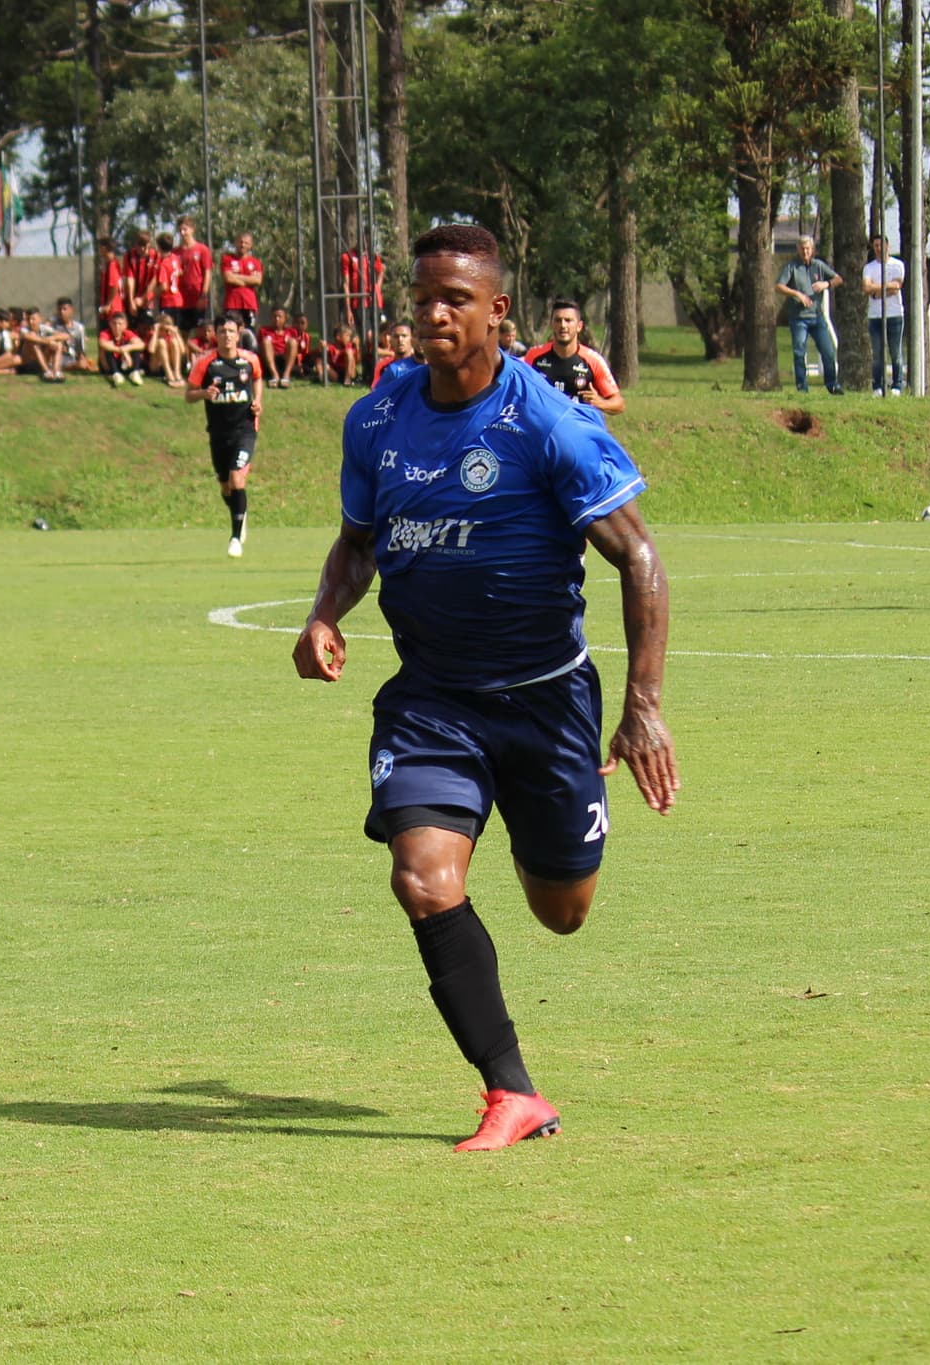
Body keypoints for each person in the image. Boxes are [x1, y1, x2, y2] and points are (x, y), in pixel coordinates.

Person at [292, 223, 676, 1152]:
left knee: (562, 912)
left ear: (497, 310)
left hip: (546, 701)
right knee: (423, 880)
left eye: (454, 299)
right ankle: (511, 1090)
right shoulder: (377, 420)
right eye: (422, 297)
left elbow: (638, 555)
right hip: (432, 700)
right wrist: (324, 613)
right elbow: (357, 545)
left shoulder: (547, 421)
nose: (433, 314)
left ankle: (540, 820)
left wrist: (643, 707)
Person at [185, 313, 264, 558]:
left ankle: (235, 538)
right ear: (215, 334)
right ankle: (240, 514)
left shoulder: (250, 360)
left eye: (231, 331)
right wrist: (203, 394)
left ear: (238, 334)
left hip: (245, 430)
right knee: (226, 487)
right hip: (219, 433)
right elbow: (188, 395)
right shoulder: (206, 363)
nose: (226, 336)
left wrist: (258, 401)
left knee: (237, 479)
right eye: (222, 331)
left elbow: (258, 378)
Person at [525, 299, 624, 414]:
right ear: (551, 324)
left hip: (579, 427)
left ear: (579, 326)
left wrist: (600, 402)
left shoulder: (593, 360)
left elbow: (619, 403)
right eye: (558, 320)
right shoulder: (534, 356)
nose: (562, 325)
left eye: (568, 320)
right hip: (543, 427)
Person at [777, 234, 843, 395]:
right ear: (798, 250)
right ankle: (802, 387)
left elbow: (838, 279)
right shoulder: (792, 267)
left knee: (828, 352)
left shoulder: (819, 266)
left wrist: (825, 284)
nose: (805, 251)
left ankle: (832, 385)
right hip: (799, 319)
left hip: (817, 317)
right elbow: (779, 286)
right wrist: (796, 294)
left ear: (812, 249)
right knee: (799, 352)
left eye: (808, 248)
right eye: (802, 248)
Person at [862, 234, 906, 397]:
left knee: (895, 352)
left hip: (894, 315)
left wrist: (877, 290)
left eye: (881, 245)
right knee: (878, 354)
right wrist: (884, 289)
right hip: (875, 316)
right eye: (876, 245)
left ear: (887, 246)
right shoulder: (869, 268)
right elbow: (866, 288)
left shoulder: (897, 265)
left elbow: (896, 287)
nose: (879, 248)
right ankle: (878, 386)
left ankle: (897, 385)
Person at [173, 217, 214, 331]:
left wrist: (203, 295)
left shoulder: (202, 250)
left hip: (197, 297)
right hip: (181, 299)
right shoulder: (175, 252)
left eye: (185, 229)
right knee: (182, 332)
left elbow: (207, 273)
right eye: (180, 230)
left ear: (192, 229)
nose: (182, 233)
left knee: (200, 331)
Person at [219, 231, 263, 332]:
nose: (242, 245)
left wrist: (237, 278)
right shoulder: (227, 259)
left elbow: (258, 280)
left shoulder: (255, 262)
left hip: (249, 304)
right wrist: (248, 280)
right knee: (231, 332)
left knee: (249, 333)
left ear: (251, 245)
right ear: (235, 243)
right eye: (240, 242)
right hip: (232, 304)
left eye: (246, 243)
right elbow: (228, 278)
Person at [98, 311, 146, 388]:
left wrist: (127, 348)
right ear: (110, 324)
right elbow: (102, 344)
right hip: (110, 364)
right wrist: (122, 351)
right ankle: (115, 374)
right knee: (108, 346)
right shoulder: (105, 333)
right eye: (114, 323)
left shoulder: (127, 333)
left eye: (120, 324)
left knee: (135, 348)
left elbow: (142, 344)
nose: (117, 326)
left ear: (125, 325)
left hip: (124, 362)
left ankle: (135, 372)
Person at [258, 307, 298, 389]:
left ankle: (286, 376)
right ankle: (274, 375)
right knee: (266, 342)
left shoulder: (291, 331)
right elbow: (260, 349)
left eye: (280, 317)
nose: (277, 319)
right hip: (270, 359)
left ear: (285, 318)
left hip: (285, 358)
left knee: (293, 342)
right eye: (274, 316)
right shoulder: (264, 330)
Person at [372, 319, 420, 388]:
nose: (400, 340)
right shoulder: (383, 366)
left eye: (404, 336)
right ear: (390, 340)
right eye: (396, 336)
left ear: (412, 339)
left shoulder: (422, 363)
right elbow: (376, 393)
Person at [53, 298, 95, 374]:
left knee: (83, 363)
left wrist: (82, 358)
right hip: (59, 358)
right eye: (59, 309)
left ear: (72, 310)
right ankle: (63, 367)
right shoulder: (54, 326)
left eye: (64, 309)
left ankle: (77, 365)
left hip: (73, 357)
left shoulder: (79, 327)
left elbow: (81, 349)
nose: (62, 312)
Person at [96, 236, 126, 323]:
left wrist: (109, 304)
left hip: (113, 309)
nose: (99, 250)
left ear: (104, 248)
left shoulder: (112, 265)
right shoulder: (110, 263)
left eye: (99, 247)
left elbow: (114, 286)